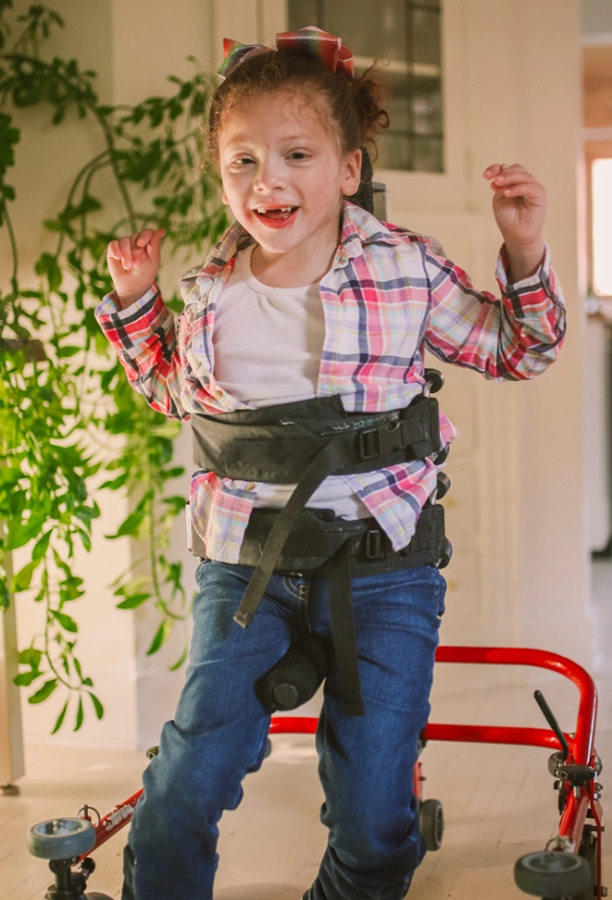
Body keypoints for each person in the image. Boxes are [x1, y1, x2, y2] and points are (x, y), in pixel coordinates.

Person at [98, 26, 565, 900]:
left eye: (296, 154)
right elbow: (170, 393)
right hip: (247, 563)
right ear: (221, 176)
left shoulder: (404, 269)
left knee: (373, 808)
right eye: (242, 162)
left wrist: (526, 253)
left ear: (349, 169)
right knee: (191, 769)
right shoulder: (208, 295)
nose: (268, 181)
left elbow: (519, 350)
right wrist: (134, 306)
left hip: (383, 564)